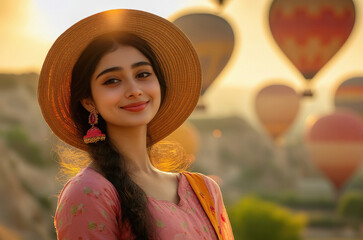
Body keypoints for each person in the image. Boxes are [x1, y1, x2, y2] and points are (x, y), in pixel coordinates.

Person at [38, 9, 233, 240]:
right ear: (89, 101)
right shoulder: (89, 193)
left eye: (142, 74)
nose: (134, 90)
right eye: (112, 80)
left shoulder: (205, 190)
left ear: (160, 84)